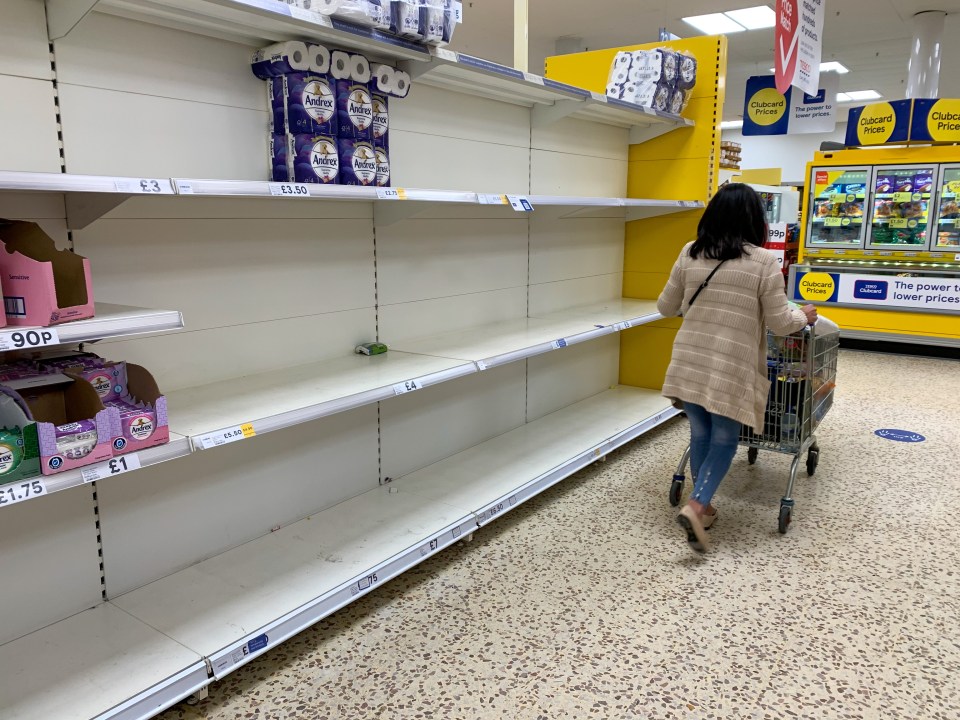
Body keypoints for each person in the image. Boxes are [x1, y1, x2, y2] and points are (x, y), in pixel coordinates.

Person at [656, 183, 817, 553]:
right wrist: (803, 315)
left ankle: (705, 505)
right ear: (755, 220)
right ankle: (697, 507)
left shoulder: (689, 251)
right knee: (726, 438)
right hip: (731, 363)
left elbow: (666, 306)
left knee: (700, 433)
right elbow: (780, 322)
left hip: (689, 357)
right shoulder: (763, 261)